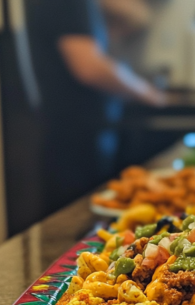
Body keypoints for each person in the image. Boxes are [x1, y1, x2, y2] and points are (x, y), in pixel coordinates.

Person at [26, 0, 167, 214]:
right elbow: (89, 66)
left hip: (83, 135)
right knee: (78, 225)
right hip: (74, 139)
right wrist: (146, 92)